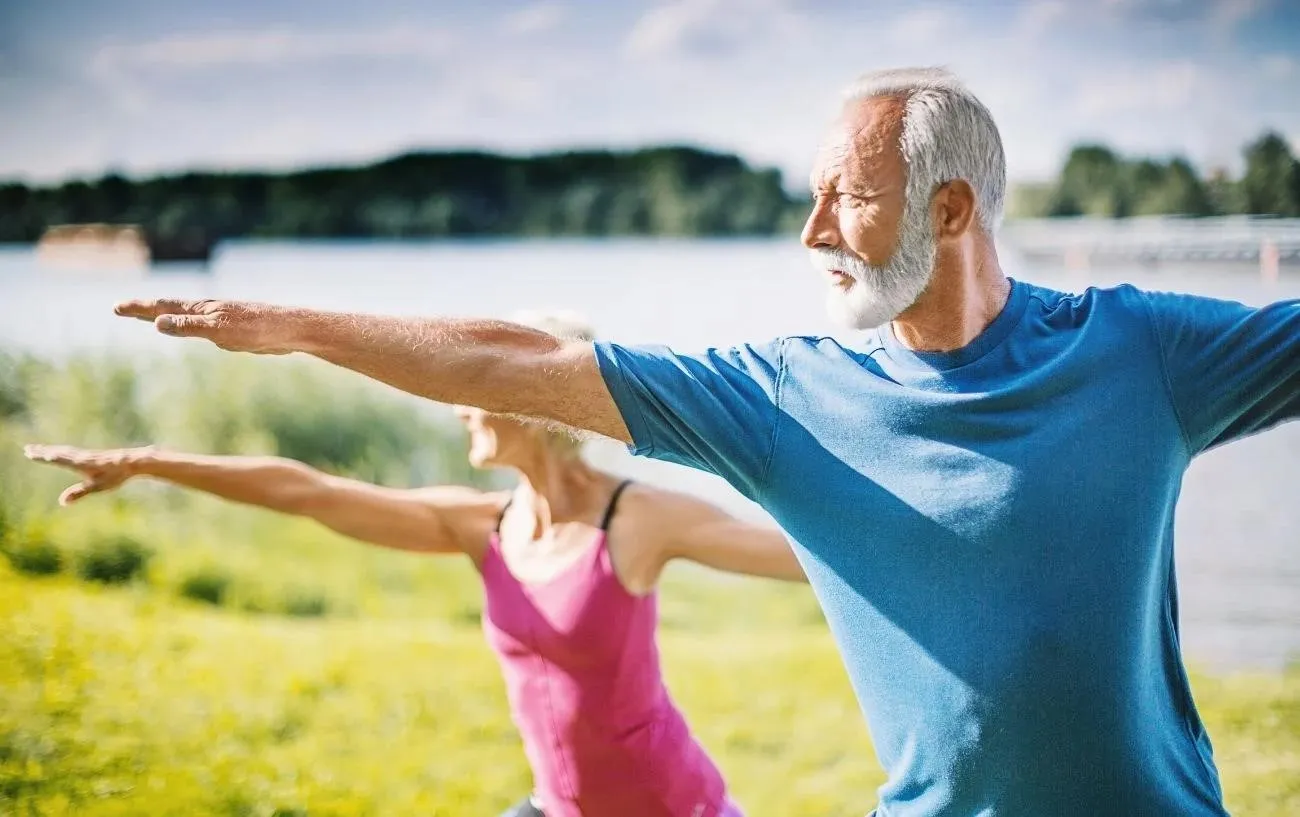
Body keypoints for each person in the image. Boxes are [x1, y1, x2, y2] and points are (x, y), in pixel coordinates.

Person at [109, 67, 1299, 816]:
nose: (811, 230)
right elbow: (519, 363)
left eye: (846, 194)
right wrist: (299, 326)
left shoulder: (1139, 350)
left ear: (948, 209)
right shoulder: (785, 399)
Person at [27, 313, 805, 817]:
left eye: (475, 391)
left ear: (537, 403)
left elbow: (800, 559)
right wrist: (150, 460)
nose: (460, 405)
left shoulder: (635, 518)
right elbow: (312, 493)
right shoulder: (483, 525)